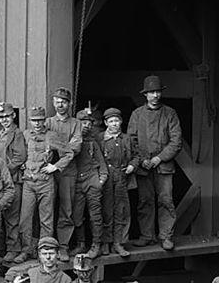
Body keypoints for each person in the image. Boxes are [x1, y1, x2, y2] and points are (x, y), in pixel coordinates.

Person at [127, 75, 182, 251]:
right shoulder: (137, 115)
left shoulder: (170, 113)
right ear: (145, 95)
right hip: (143, 167)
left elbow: (176, 141)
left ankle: (166, 237)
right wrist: (142, 159)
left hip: (164, 166)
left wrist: (159, 158)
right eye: (151, 92)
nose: (155, 95)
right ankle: (147, 236)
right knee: (145, 201)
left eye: (157, 91)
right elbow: (131, 140)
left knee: (166, 200)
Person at [15, 107, 72, 264]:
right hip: (28, 182)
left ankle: (45, 251)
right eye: (34, 120)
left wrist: (55, 166)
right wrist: (23, 164)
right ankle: (26, 250)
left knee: (46, 219)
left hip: (45, 183)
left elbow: (68, 153)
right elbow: (20, 153)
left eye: (40, 120)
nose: (37, 123)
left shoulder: (51, 136)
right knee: (25, 219)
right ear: (30, 121)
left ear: (44, 120)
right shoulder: (25, 135)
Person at [46, 87, 84, 262]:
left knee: (66, 209)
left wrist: (56, 146)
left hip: (68, 172)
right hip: (47, 171)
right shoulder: (47, 123)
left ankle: (63, 247)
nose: (60, 105)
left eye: (63, 101)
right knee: (47, 208)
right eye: (57, 101)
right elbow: (42, 144)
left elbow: (75, 148)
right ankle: (46, 246)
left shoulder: (76, 123)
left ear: (69, 104)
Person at [70, 107, 109, 258]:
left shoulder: (93, 143)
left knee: (95, 215)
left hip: (92, 181)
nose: (86, 125)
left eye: (88, 123)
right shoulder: (72, 141)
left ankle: (96, 245)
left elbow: (103, 166)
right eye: (83, 123)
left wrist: (100, 181)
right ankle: (81, 244)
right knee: (77, 215)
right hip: (77, 183)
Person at [99, 108, 137, 257]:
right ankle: (105, 243)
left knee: (121, 210)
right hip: (107, 177)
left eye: (116, 120)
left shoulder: (127, 139)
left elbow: (136, 155)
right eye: (111, 121)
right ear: (106, 123)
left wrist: (132, 166)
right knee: (106, 210)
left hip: (122, 176)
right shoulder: (100, 138)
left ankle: (118, 243)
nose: (114, 124)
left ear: (121, 121)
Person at [0, 102, 28, 262]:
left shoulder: (17, 133)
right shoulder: (1, 133)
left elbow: (19, 157)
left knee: (12, 217)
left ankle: (14, 248)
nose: (4, 119)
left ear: (13, 115)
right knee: (1, 214)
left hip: (12, 180)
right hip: (0, 181)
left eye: (7, 116)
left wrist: (4, 173)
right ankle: (2, 248)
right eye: (1, 117)